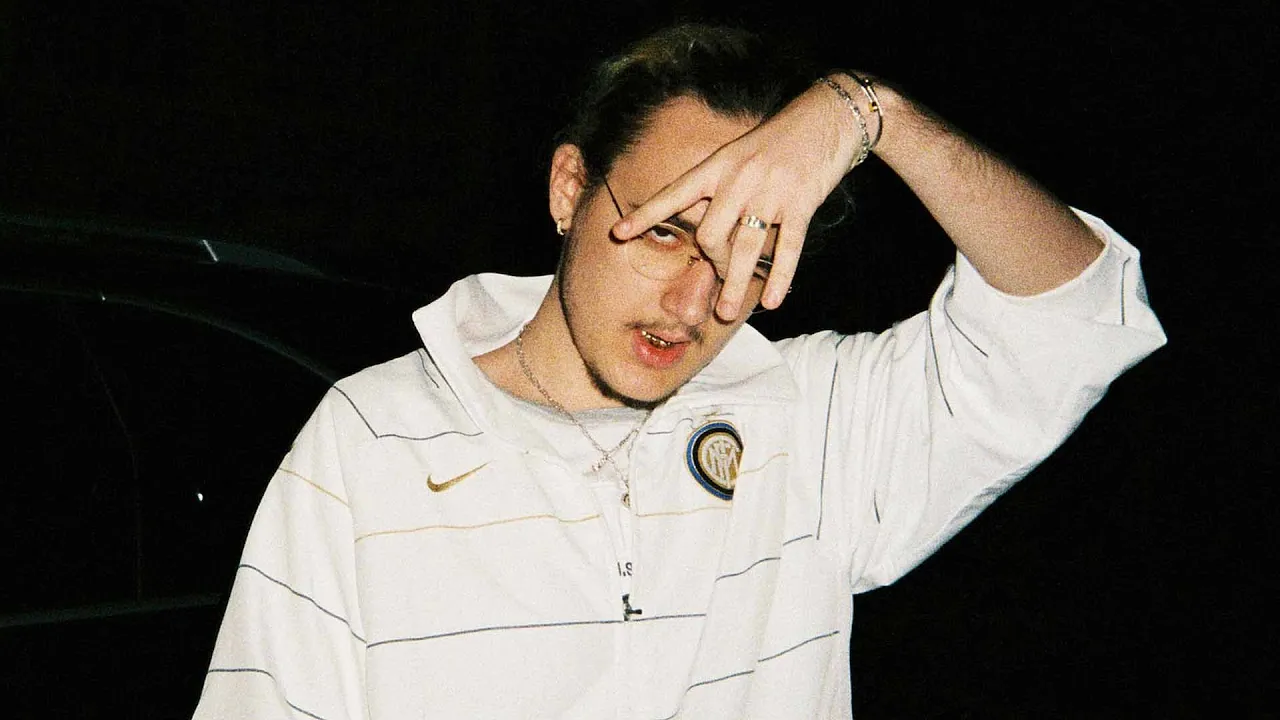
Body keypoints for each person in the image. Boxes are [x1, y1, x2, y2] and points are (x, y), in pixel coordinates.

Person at [193, 23, 1165, 719]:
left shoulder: (805, 423)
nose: (696, 301)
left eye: (748, 252)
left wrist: (874, 113)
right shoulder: (370, 444)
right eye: (666, 231)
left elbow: (1075, 319)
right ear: (570, 189)